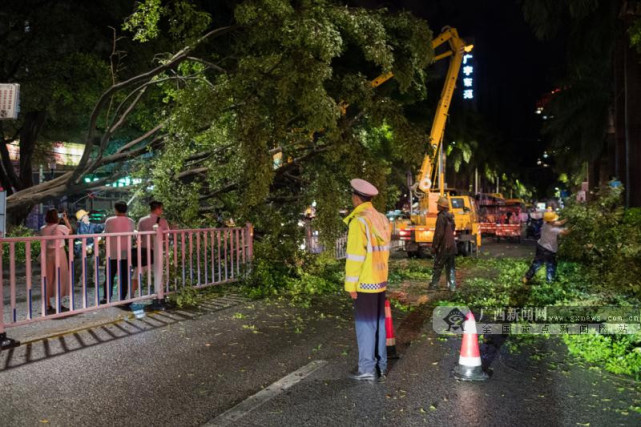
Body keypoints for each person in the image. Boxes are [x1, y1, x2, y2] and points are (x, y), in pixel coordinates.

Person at [344, 178, 391, 382]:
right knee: (379, 324)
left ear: (356, 198)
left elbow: (355, 257)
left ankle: (366, 369)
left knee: (365, 326)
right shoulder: (381, 219)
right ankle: (381, 365)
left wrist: (350, 285)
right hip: (380, 280)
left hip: (364, 282)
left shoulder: (359, 222)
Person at [102, 201, 135, 305]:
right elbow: (133, 235)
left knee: (109, 276)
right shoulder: (131, 221)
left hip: (112, 253)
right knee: (124, 277)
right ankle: (122, 298)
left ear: (115, 209)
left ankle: (107, 297)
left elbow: (106, 235)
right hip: (126, 253)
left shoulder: (109, 221)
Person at [522, 211, 570, 283]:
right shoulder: (553, 229)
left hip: (540, 247)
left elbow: (559, 223)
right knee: (550, 265)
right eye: (554, 219)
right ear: (551, 221)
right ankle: (549, 281)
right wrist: (575, 227)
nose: (555, 220)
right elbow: (566, 232)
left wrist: (567, 219)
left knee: (536, 263)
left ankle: (526, 278)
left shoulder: (545, 224)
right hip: (548, 250)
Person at [133, 200, 170, 292]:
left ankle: (131, 295)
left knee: (137, 274)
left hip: (144, 251)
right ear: (157, 209)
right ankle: (159, 294)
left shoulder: (142, 220)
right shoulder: (163, 221)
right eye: (161, 209)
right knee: (160, 273)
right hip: (157, 252)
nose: (162, 211)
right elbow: (166, 236)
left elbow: (138, 235)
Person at [41, 208, 72, 314]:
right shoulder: (61, 227)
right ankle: (59, 303)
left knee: (48, 278)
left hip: (47, 255)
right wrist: (66, 220)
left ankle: (48, 304)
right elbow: (70, 232)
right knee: (60, 277)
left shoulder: (43, 228)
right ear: (56, 217)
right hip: (59, 253)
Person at [429, 196, 457, 291]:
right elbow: (453, 228)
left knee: (438, 265)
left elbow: (439, 233)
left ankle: (434, 285)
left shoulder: (441, 217)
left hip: (444, 246)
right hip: (452, 245)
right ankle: (452, 286)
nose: (437, 206)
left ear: (441, 207)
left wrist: (435, 247)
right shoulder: (450, 217)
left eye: (438, 204)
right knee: (451, 266)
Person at [73, 209, 104, 286]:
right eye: (85, 215)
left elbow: (100, 227)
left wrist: (107, 223)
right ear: (82, 218)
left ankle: (88, 281)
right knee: (80, 266)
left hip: (89, 248)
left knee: (89, 264)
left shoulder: (91, 225)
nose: (87, 216)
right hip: (81, 249)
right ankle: (76, 280)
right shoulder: (79, 227)